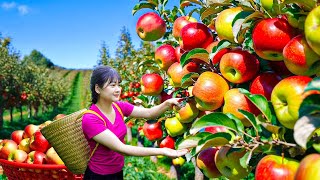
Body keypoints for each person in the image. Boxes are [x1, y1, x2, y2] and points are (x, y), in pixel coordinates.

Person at [82, 65, 188, 180]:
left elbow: (149, 113)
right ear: (98, 89)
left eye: (119, 84)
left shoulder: (119, 107)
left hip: (117, 172)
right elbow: (121, 148)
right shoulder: (90, 119)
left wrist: (167, 104)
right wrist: (163, 150)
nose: (118, 89)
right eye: (113, 85)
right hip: (99, 176)